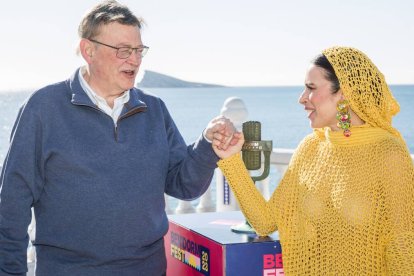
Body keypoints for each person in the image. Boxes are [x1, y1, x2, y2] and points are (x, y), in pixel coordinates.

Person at [0, 1, 235, 275]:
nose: (134, 60)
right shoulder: (43, 108)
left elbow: (184, 186)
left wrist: (207, 146)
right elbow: (11, 204)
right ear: (89, 50)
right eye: (123, 51)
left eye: (138, 50)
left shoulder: (154, 109)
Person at [213, 46, 414, 274]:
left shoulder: (388, 154)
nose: (302, 99)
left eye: (311, 88)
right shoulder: (310, 148)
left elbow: (404, 246)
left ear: (344, 93)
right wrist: (231, 159)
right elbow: (266, 222)